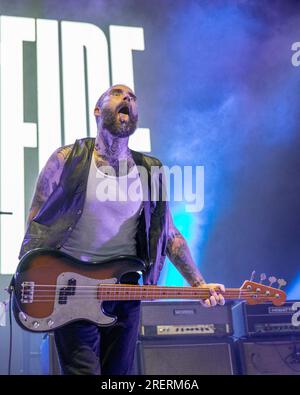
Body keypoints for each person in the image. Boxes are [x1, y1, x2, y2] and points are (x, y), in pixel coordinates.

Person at [19, 84, 225, 375]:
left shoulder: (151, 170)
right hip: (74, 289)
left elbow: (168, 234)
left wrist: (198, 284)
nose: (128, 98)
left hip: (125, 290)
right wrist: (31, 278)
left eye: (133, 97)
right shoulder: (68, 159)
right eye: (117, 93)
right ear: (97, 110)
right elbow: (37, 224)